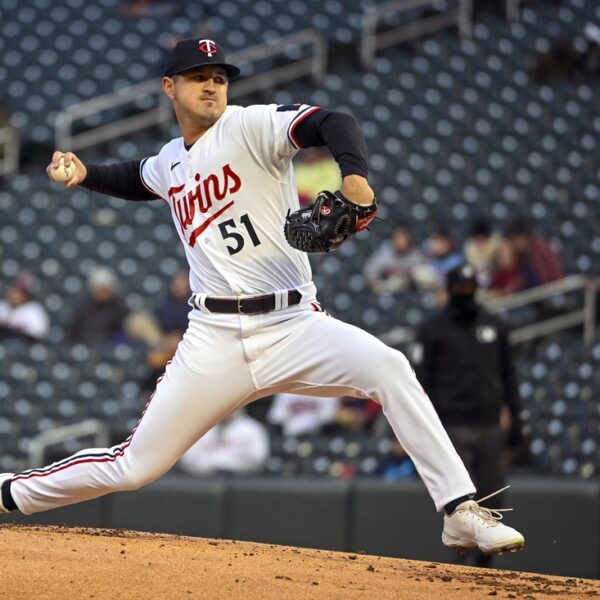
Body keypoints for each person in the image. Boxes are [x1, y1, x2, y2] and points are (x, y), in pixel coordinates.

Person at [0, 37, 524, 556]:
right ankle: (7, 492)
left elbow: (334, 121)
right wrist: (85, 173)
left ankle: (459, 511)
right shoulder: (169, 162)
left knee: (389, 367)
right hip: (215, 337)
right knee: (134, 467)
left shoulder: (249, 125)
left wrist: (356, 177)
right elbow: (137, 178)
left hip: (294, 324)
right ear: (169, 87)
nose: (212, 85)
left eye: (220, 78)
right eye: (199, 77)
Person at [412, 263, 523, 566]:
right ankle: (461, 567)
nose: (465, 294)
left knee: (493, 495)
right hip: (452, 426)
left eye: (470, 289)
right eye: (460, 289)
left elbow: (509, 375)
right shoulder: (432, 329)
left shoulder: (495, 325)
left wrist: (517, 419)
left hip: (489, 425)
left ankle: (483, 564)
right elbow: (419, 383)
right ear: (449, 290)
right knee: (462, 499)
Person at [178, 409, 269, 475]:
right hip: (203, 482)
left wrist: (229, 466)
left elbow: (259, 460)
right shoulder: (197, 429)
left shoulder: (251, 428)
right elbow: (187, 461)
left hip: (240, 482)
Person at [65, 266, 129, 344]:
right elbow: (72, 333)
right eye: (99, 290)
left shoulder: (120, 308)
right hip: (85, 346)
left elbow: (124, 333)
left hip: (110, 348)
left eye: (105, 290)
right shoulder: (82, 308)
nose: (102, 293)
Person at [363, 224, 425, 294]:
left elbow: (420, 272)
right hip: (388, 287)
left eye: (403, 238)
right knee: (395, 282)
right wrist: (375, 282)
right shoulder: (385, 251)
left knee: (421, 273)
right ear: (393, 238)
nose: (401, 241)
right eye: (398, 238)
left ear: (408, 238)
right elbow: (370, 270)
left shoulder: (414, 253)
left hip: (410, 289)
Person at [0, 272, 50, 341]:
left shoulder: (34, 311)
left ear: (26, 295)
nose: (15, 294)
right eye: (14, 290)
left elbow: (38, 336)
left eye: (20, 292)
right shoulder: (2, 306)